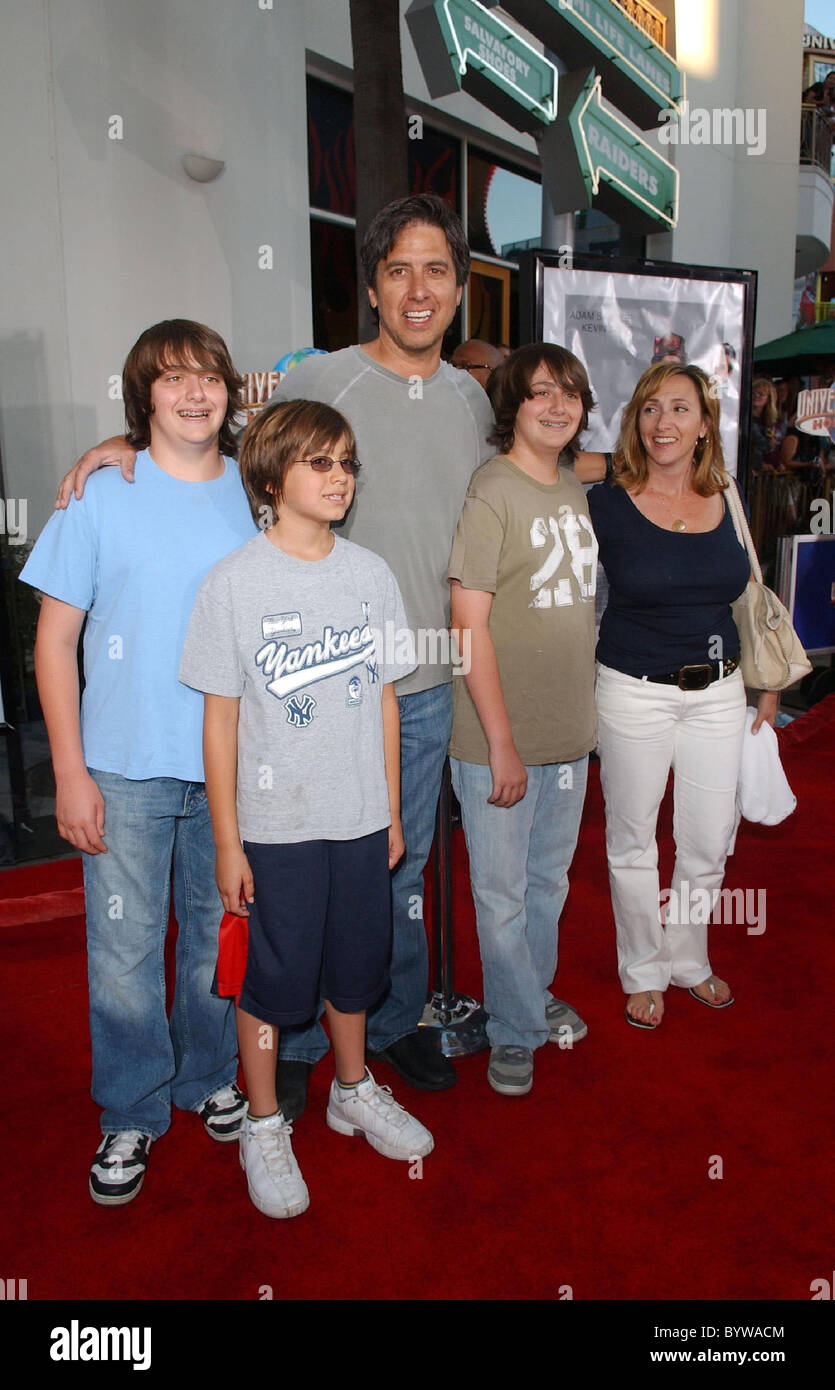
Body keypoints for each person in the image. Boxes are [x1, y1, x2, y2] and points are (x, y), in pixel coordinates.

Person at [53, 195, 607, 1111]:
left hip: (428, 683)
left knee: (392, 876)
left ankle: (387, 1031)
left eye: (436, 270)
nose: (417, 288)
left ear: (461, 290)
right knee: (293, 876)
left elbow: (539, 458)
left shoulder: (474, 397)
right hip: (314, 685)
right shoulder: (329, 380)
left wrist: (643, 464)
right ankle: (300, 1041)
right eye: (398, 270)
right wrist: (126, 444)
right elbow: (237, 444)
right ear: (373, 288)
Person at [20, 321, 257, 1204]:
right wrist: (71, 773)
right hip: (122, 766)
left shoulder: (254, 491)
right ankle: (130, 1107)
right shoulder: (99, 494)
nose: (194, 393)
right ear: (144, 396)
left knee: (214, 936)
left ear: (230, 392)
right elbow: (54, 643)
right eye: (172, 379)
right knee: (122, 952)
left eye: (209, 378)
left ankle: (206, 1077)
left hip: (230, 767)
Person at [179, 398, 433, 1219]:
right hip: (274, 827)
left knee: (358, 964)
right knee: (272, 980)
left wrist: (392, 811)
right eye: (319, 462)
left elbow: (388, 704)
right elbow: (218, 722)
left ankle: (352, 1089)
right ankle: (260, 1122)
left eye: (347, 462)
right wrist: (227, 844)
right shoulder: (233, 582)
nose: (338, 477)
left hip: (359, 820)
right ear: (269, 473)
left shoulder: (370, 574)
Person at [588, 364, 778, 1030]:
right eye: (649, 408)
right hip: (631, 691)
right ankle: (642, 970)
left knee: (706, 840)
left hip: (719, 692)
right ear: (634, 421)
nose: (662, 422)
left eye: (678, 408)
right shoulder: (603, 500)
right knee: (632, 842)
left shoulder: (726, 493)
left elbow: (748, 594)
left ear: (704, 424)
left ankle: (687, 958)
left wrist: (761, 680)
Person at [448, 344, 598, 1095]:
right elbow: (466, 625)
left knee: (547, 885)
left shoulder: (571, 485)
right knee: (500, 895)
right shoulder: (491, 489)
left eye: (569, 392)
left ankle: (527, 998)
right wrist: (501, 745)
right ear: (512, 404)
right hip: (494, 742)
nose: (557, 405)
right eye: (540, 392)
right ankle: (512, 1029)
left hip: (569, 735)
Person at [749, 377, 784, 473]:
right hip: (752, 470)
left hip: (769, 471)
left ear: (768, 399)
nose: (756, 396)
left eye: (761, 394)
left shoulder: (770, 421)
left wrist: (778, 463)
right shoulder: (746, 418)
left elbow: (774, 447)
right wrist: (759, 464)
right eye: (754, 393)